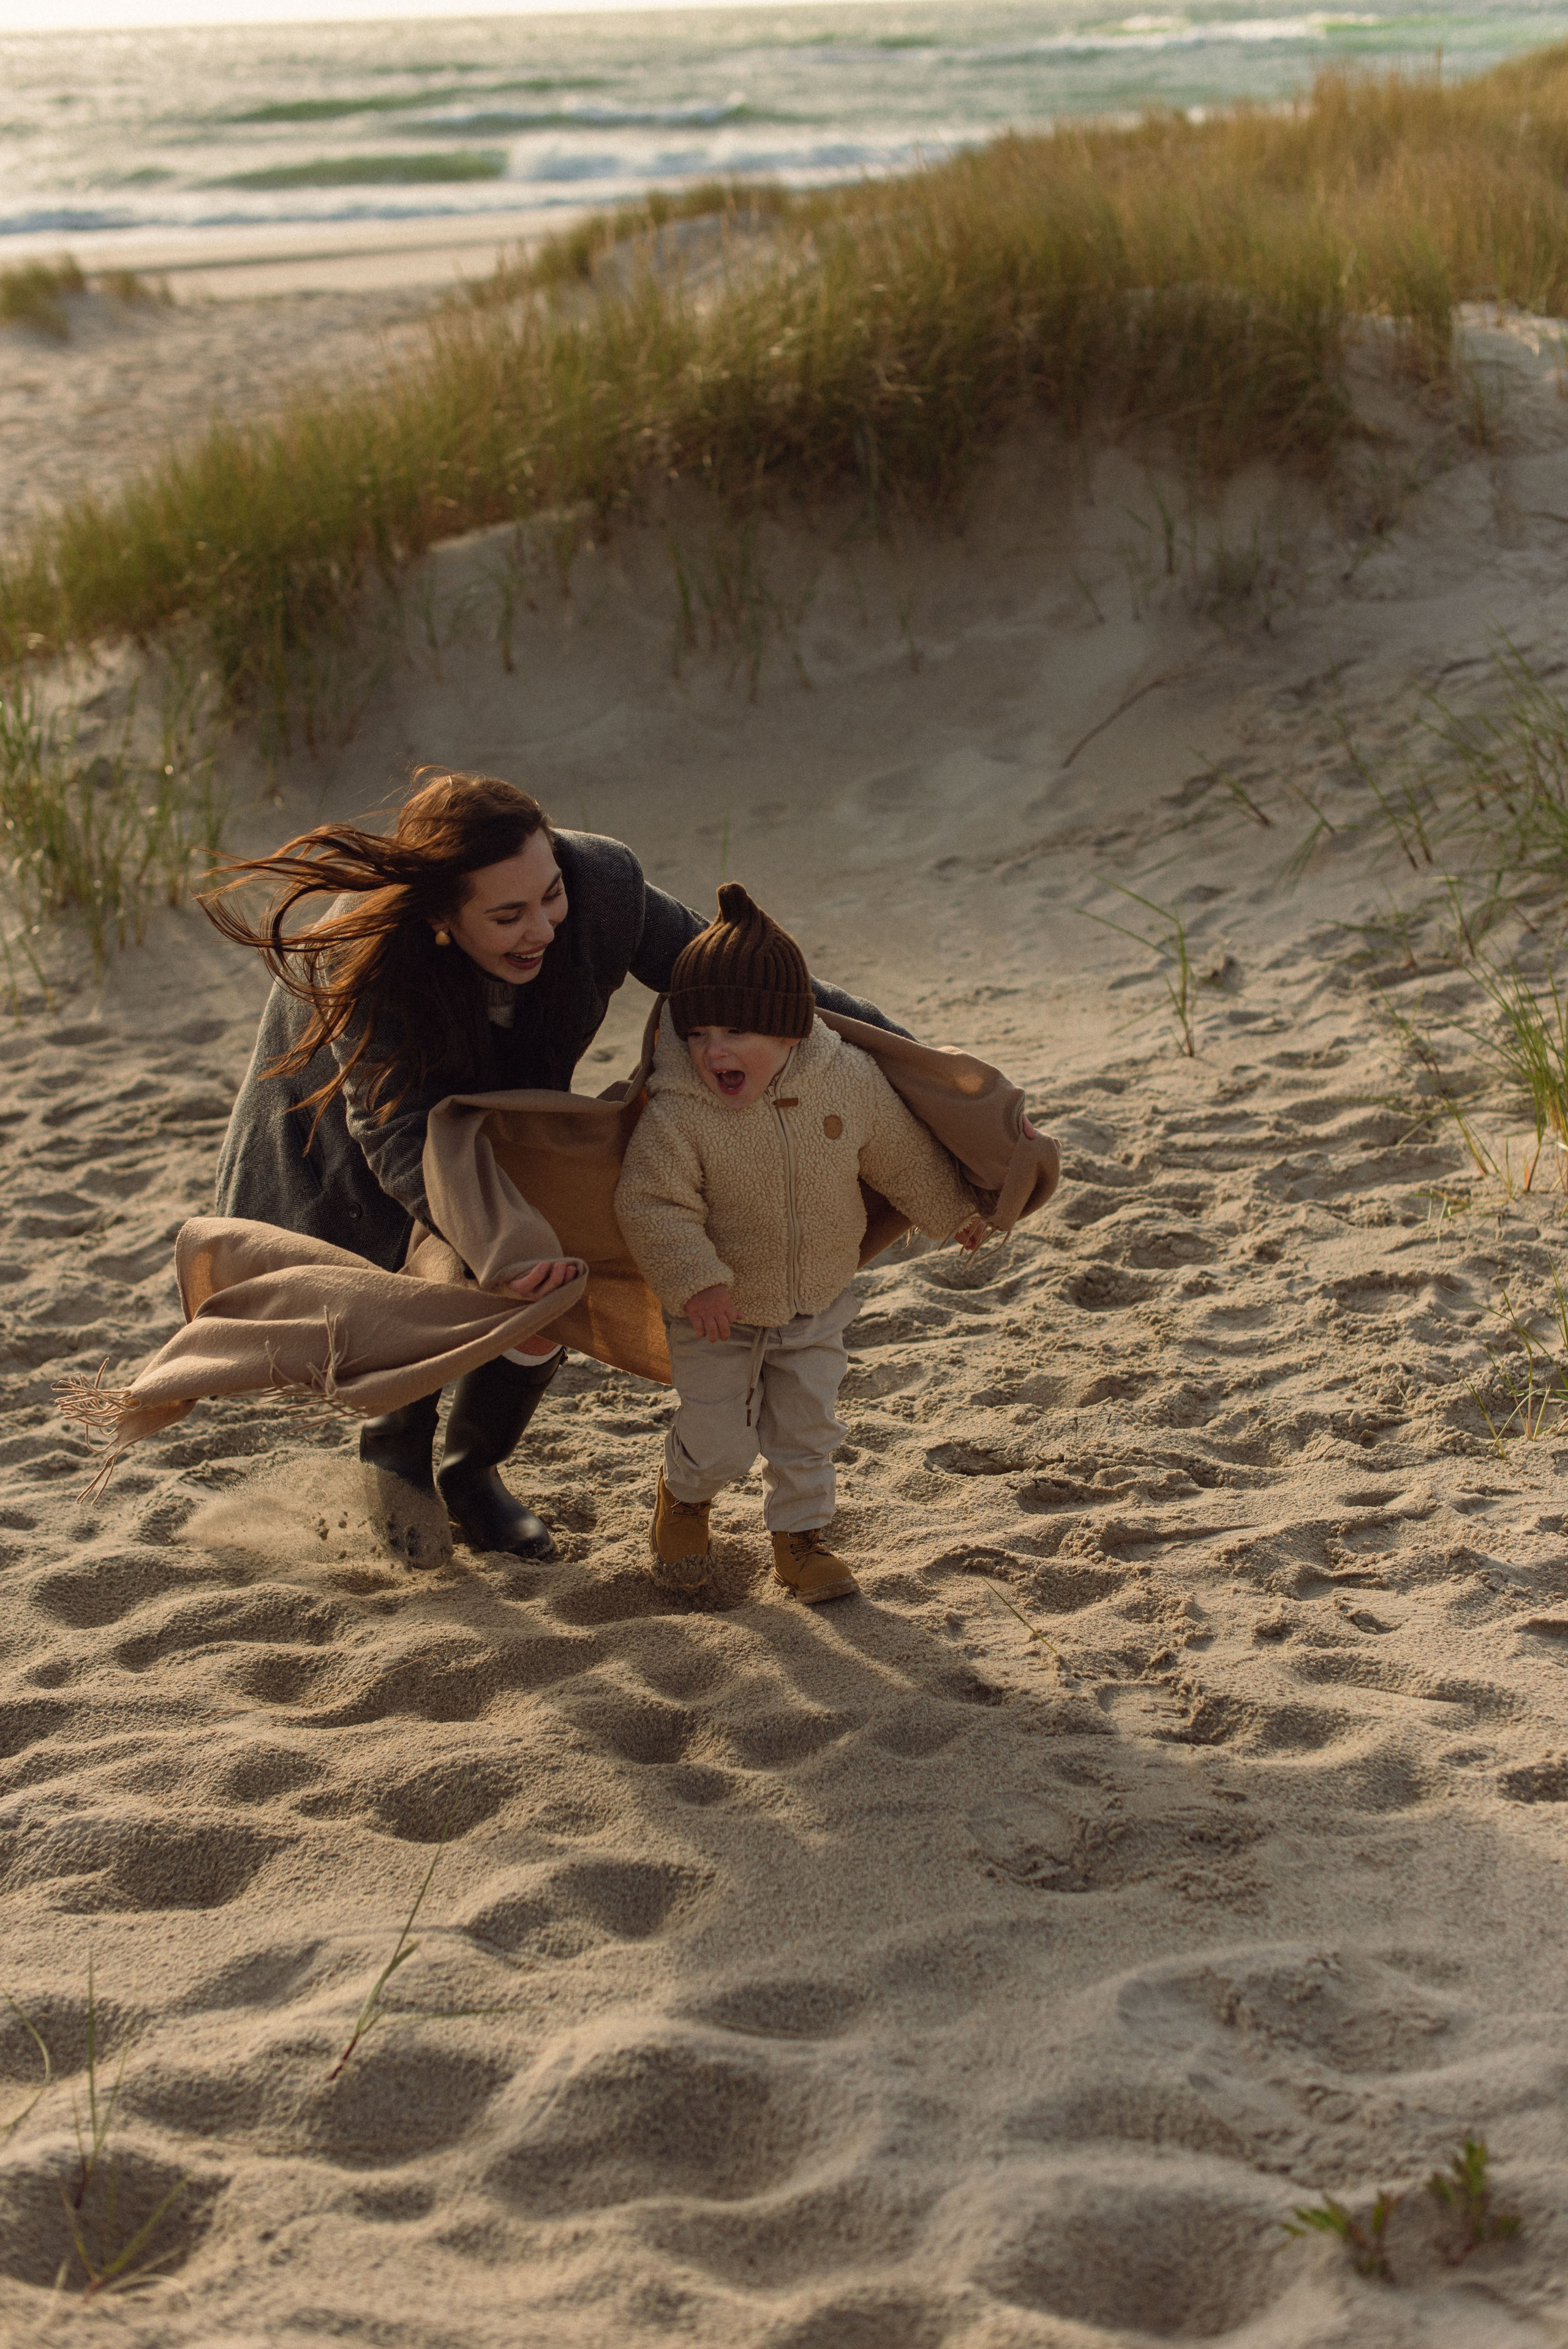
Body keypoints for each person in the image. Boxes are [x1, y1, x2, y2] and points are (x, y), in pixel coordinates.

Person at [204, 771, 910, 1564]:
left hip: (510, 1104)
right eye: (507, 914)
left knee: (554, 1273)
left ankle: (475, 1473)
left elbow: (750, 983)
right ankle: (396, 1452)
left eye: (549, 896)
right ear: (441, 914)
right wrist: (500, 1244)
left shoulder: (601, 884)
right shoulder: (364, 961)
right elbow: (398, 1129)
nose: (541, 926)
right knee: (423, 1277)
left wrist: (918, 1063)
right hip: (351, 1111)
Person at [614, 884, 986, 1603]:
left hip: (817, 1299)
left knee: (807, 1428)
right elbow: (652, 1202)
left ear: (788, 1032)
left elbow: (900, 1155)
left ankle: (801, 1542)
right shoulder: (678, 1113)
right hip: (715, 1313)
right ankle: (684, 1496)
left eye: (732, 1033)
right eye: (695, 1035)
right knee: (720, 1438)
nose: (710, 1050)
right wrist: (697, 1279)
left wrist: (952, 1212)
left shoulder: (847, 1081)